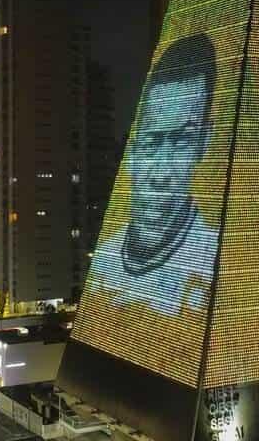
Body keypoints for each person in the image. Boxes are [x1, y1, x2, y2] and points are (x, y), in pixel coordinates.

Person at [90, 33, 219, 317]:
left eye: (182, 140)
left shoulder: (216, 264)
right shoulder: (103, 262)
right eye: (151, 141)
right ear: (132, 151)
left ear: (204, 142)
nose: (161, 173)